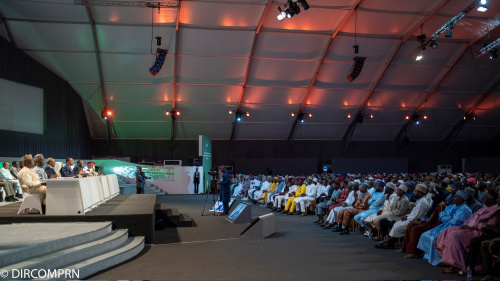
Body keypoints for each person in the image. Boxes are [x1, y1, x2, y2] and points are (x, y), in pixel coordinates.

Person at [436, 191, 498, 274]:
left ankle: (456, 265)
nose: (483, 198)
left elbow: (488, 226)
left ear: (491, 200)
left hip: (476, 232)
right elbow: (471, 218)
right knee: (447, 230)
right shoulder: (484, 207)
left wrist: (469, 227)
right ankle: (448, 260)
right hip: (468, 228)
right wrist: (465, 225)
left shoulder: (495, 210)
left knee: (453, 236)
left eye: (486, 197)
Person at [417, 190, 472, 266]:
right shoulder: (451, 206)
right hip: (444, 225)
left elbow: (455, 222)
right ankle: (429, 256)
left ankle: (438, 259)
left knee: (434, 238)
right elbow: (441, 216)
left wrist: (448, 218)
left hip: (455, 228)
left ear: (460, 199)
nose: (453, 198)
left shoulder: (466, 209)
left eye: (455, 197)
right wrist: (450, 217)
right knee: (425, 235)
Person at [376, 183, 430, 249]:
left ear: (420, 193)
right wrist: (407, 216)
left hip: (413, 220)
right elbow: (413, 213)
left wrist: (406, 217)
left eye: (415, 191)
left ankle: (389, 241)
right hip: (406, 217)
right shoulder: (419, 200)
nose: (414, 192)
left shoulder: (422, 202)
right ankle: (388, 240)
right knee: (389, 222)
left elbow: (416, 216)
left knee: (396, 225)